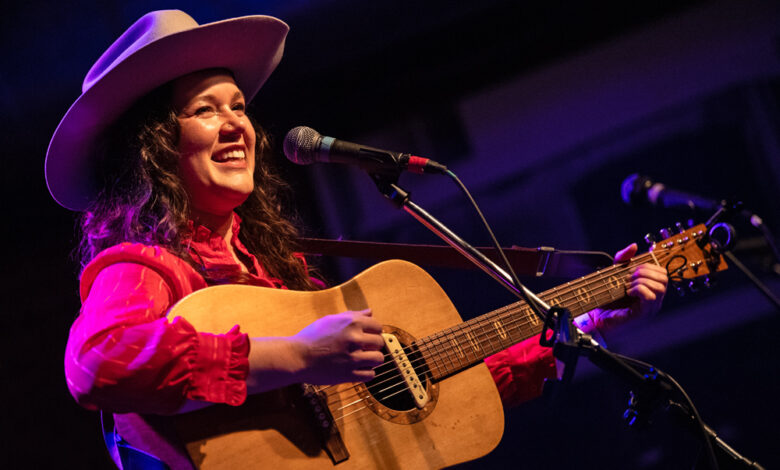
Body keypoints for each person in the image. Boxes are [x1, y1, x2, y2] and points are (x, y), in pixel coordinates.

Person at [47, 10, 668, 470]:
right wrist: (295, 357)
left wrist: (583, 326)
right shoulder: (147, 265)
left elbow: (432, 392)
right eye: (206, 110)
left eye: (238, 105)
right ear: (155, 150)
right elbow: (99, 361)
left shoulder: (283, 279)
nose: (237, 122)